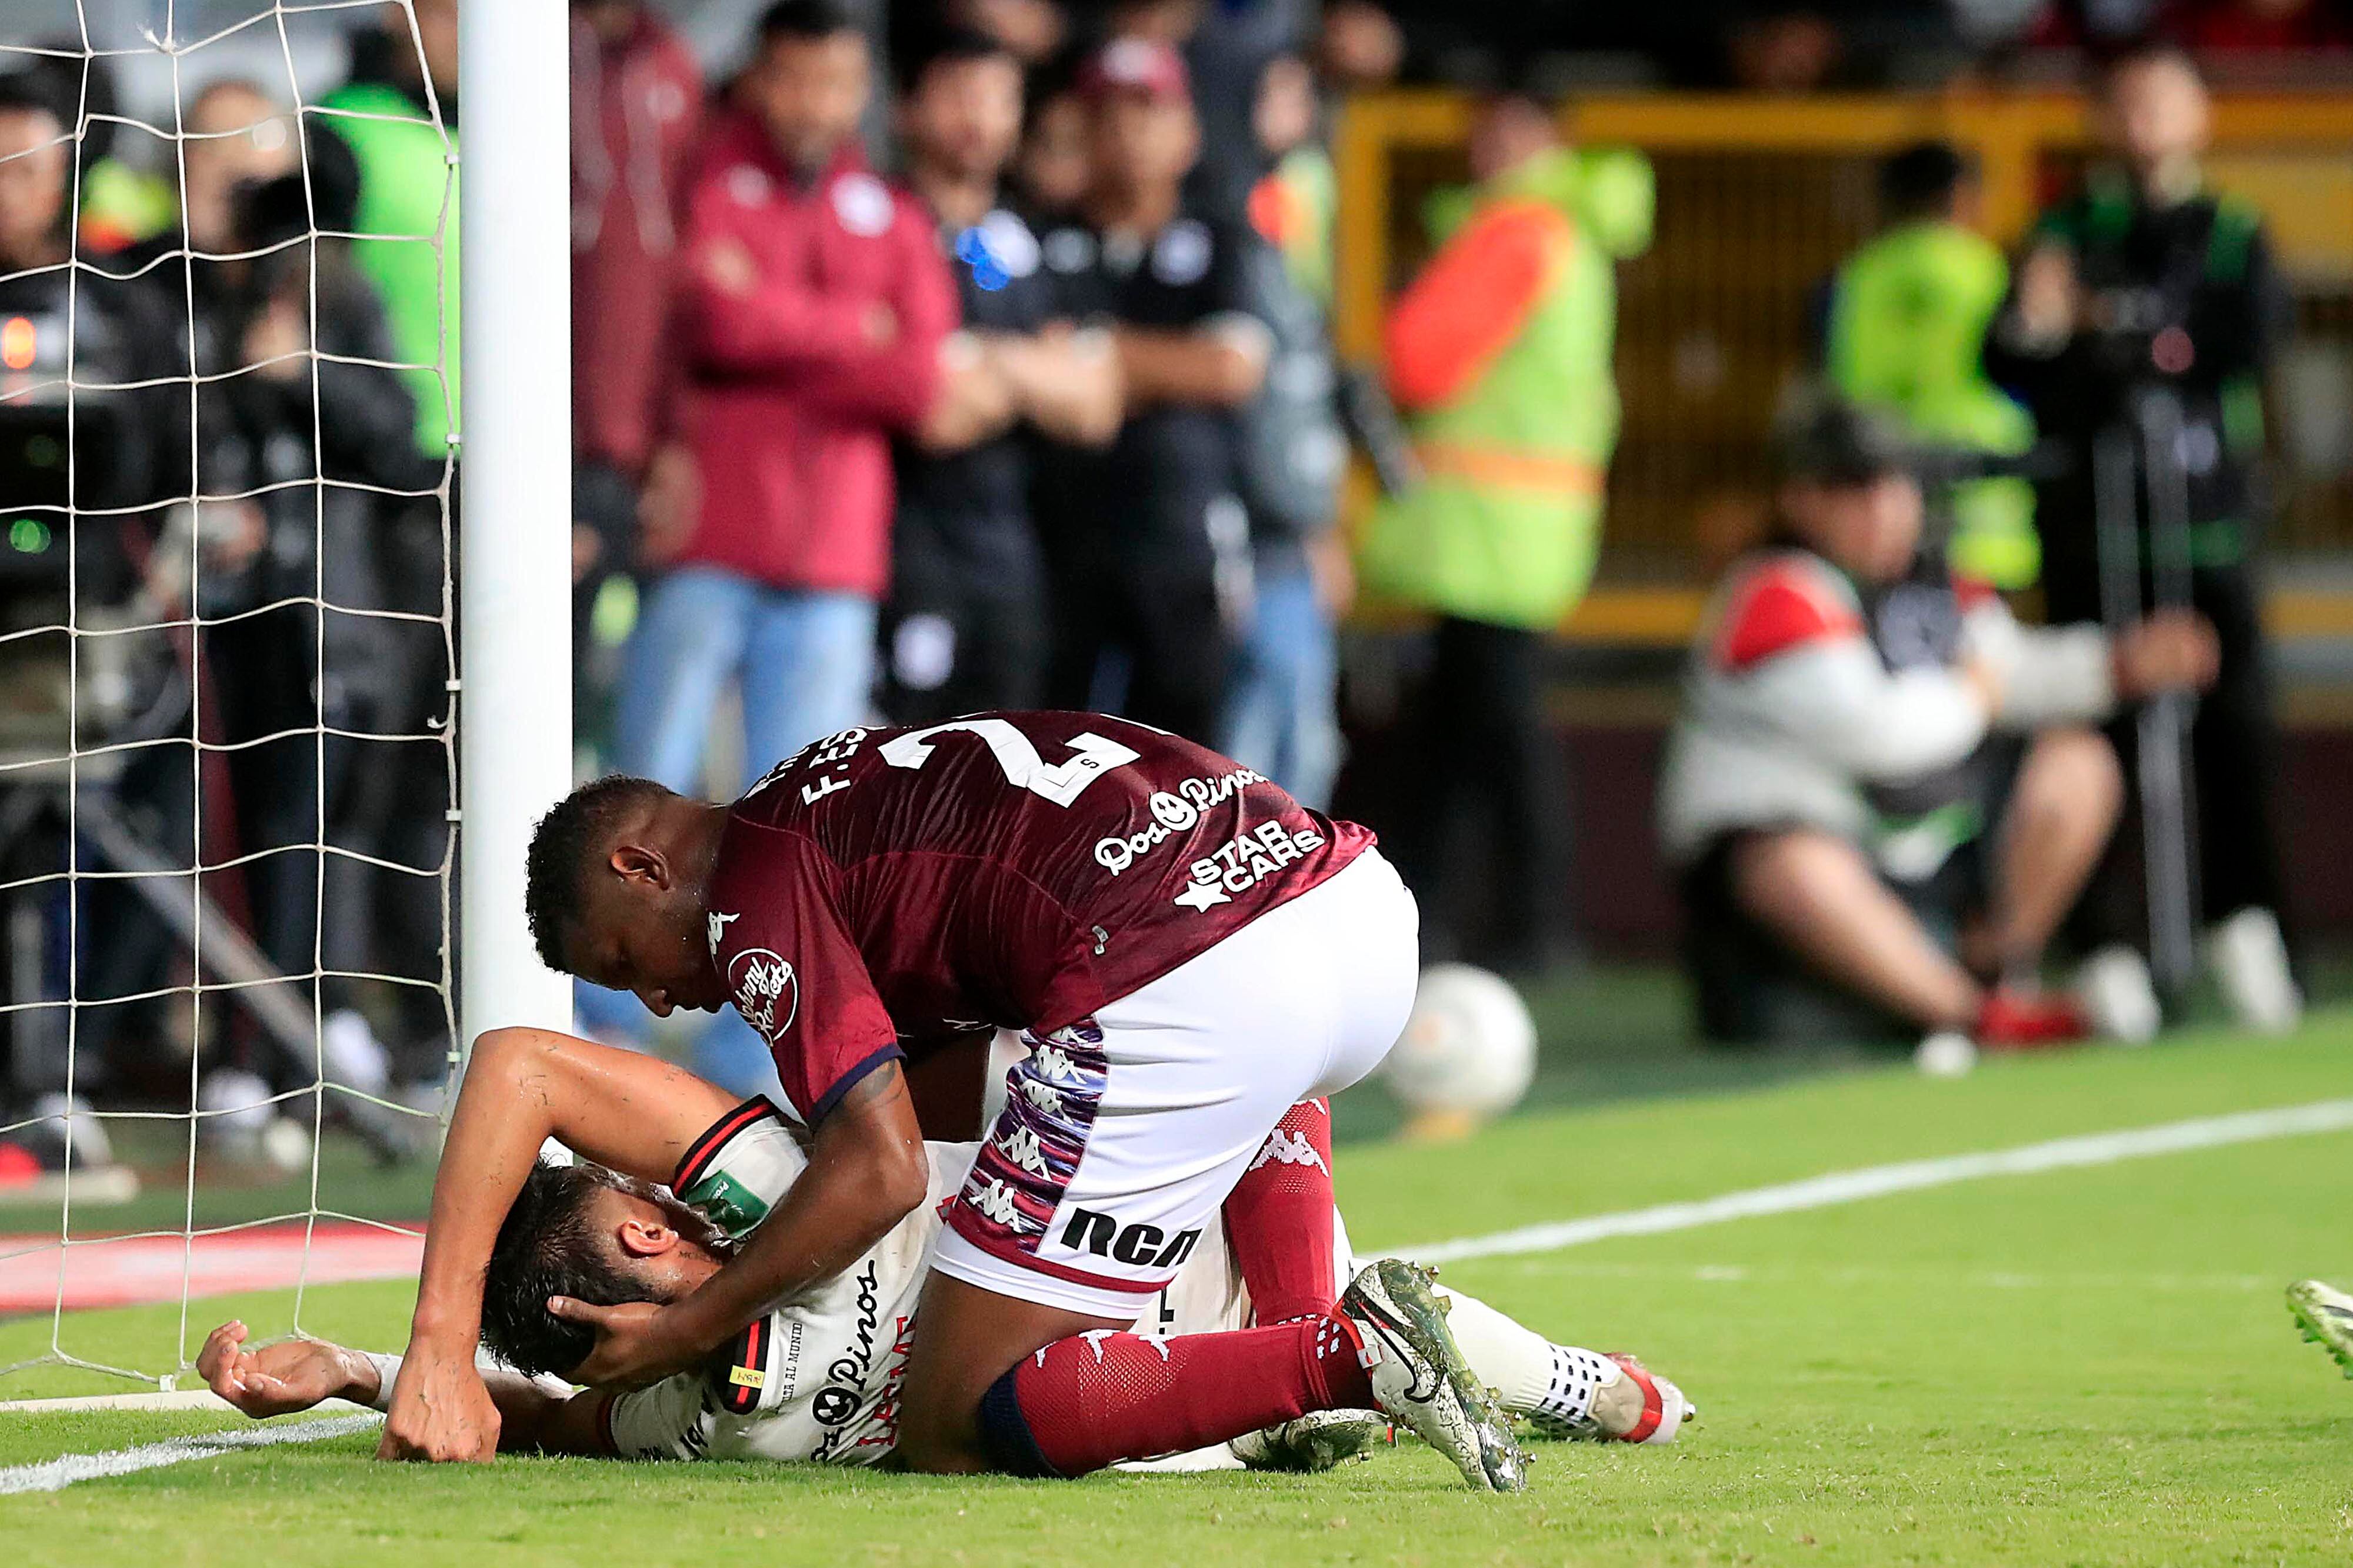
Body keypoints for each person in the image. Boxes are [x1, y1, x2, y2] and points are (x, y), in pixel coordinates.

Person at [376, 712, 1525, 1489]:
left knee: (956, 1416)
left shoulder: (747, 896)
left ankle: (1326, 1357)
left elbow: (878, 1171)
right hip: (1344, 905)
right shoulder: (822, 785)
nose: (668, 995)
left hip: (1195, 972)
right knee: (935, 1097)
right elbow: (914, 1115)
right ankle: (1357, 1341)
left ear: (642, 865)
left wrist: (682, 1321)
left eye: (630, 963)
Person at [200, 1027, 1692, 1464]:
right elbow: (540, 1424)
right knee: (1209, 1394)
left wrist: (413, 1353)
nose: (670, 1211)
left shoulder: (788, 1185)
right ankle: (1436, 1363)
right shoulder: (668, 1410)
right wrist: (352, 1365)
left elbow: (522, 1059)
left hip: (1194, 1218)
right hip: (1152, 1387)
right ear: (644, 1227)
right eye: (643, 1221)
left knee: (1256, 1081)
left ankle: (1521, 1371)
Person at [606, 0, 956, 1091]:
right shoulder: (704, 178)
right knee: (637, 806)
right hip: (711, 534)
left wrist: (789, 326)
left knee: (798, 831)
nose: (816, 105)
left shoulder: (887, 207)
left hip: (835, 565)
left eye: (837, 84)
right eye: (799, 80)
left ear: (863, 91)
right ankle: (598, 1038)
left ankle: (745, 1061)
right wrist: (855, 329)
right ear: (761, 78)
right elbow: (712, 317)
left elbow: (920, 375)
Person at [1656, 395, 2219, 1050]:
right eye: (1855, 489)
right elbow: (1879, 734)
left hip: (1930, 845)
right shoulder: (1774, 593)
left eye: (1897, 484)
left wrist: (2118, 664)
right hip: (1816, 865)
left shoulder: (1935, 584)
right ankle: (1969, 1015)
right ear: (1802, 501)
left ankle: (1995, 970)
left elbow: (2015, 667)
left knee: (2078, 763)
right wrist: (1974, 695)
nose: (1885, 508)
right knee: (1791, 864)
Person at [1983, 38, 2301, 1034]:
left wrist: (2127, 342)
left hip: (2202, 531)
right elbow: (2014, 355)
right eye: (2124, 104)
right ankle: (2108, 948)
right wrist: (2058, 333)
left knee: (2232, 737)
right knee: (2097, 738)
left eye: (2163, 101)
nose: (2143, 123)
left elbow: (2238, 348)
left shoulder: (2235, 233)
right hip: (2096, 534)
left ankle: (2247, 931)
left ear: (2199, 115)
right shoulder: (2064, 230)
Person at [1356, 82, 1652, 972]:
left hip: (1485, 526)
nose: (1484, 144)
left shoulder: (1512, 231)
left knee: (1489, 729)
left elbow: (1415, 361)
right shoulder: (1570, 233)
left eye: (1503, 125)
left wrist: (1396, 309)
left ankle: (1526, 925)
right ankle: (1444, 916)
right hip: (1525, 522)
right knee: (1462, 728)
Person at [1030, 38, 1273, 744]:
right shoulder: (1045, 239)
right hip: (1065, 536)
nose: (1129, 132)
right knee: (1052, 750)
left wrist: (1100, 351)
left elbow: (1231, 368)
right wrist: (1168, 365)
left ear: (1187, 130)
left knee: (1186, 755)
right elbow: (1028, 365)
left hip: (1180, 540)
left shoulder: (1220, 238)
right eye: (1110, 113)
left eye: (1149, 111)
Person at [880, 26, 1122, 725]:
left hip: (1016, 561)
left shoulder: (1031, 241)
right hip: (906, 553)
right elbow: (935, 410)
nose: (979, 116)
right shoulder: (881, 227)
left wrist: (985, 360)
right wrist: (1033, 367)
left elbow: (1095, 403)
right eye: (958, 93)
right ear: (907, 108)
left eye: (998, 96)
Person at [569, 0, 705, 752]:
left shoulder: (677, 67)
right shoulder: (526, 55)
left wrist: (678, 439)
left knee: (638, 717)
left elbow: (691, 285)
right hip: (549, 447)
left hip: (644, 449)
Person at [1218, 51, 1350, 811]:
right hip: (1251, 534)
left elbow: (1298, 387)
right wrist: (1309, 523)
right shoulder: (1230, 218)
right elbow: (1264, 400)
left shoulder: (1293, 209)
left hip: (1285, 532)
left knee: (1295, 739)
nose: (1292, 111)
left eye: (1304, 94)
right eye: (1277, 91)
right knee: (1258, 746)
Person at [1822, 140, 2038, 589]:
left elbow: (1842, 373)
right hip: (1979, 468)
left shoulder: (1863, 273)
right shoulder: (1985, 268)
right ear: (1962, 195)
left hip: (1884, 471)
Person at [321, 0, 461, 465]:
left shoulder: (530, 135)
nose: (466, 33)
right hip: (394, 451)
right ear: (398, 14)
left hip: (516, 437)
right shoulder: (344, 129)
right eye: (449, 13)